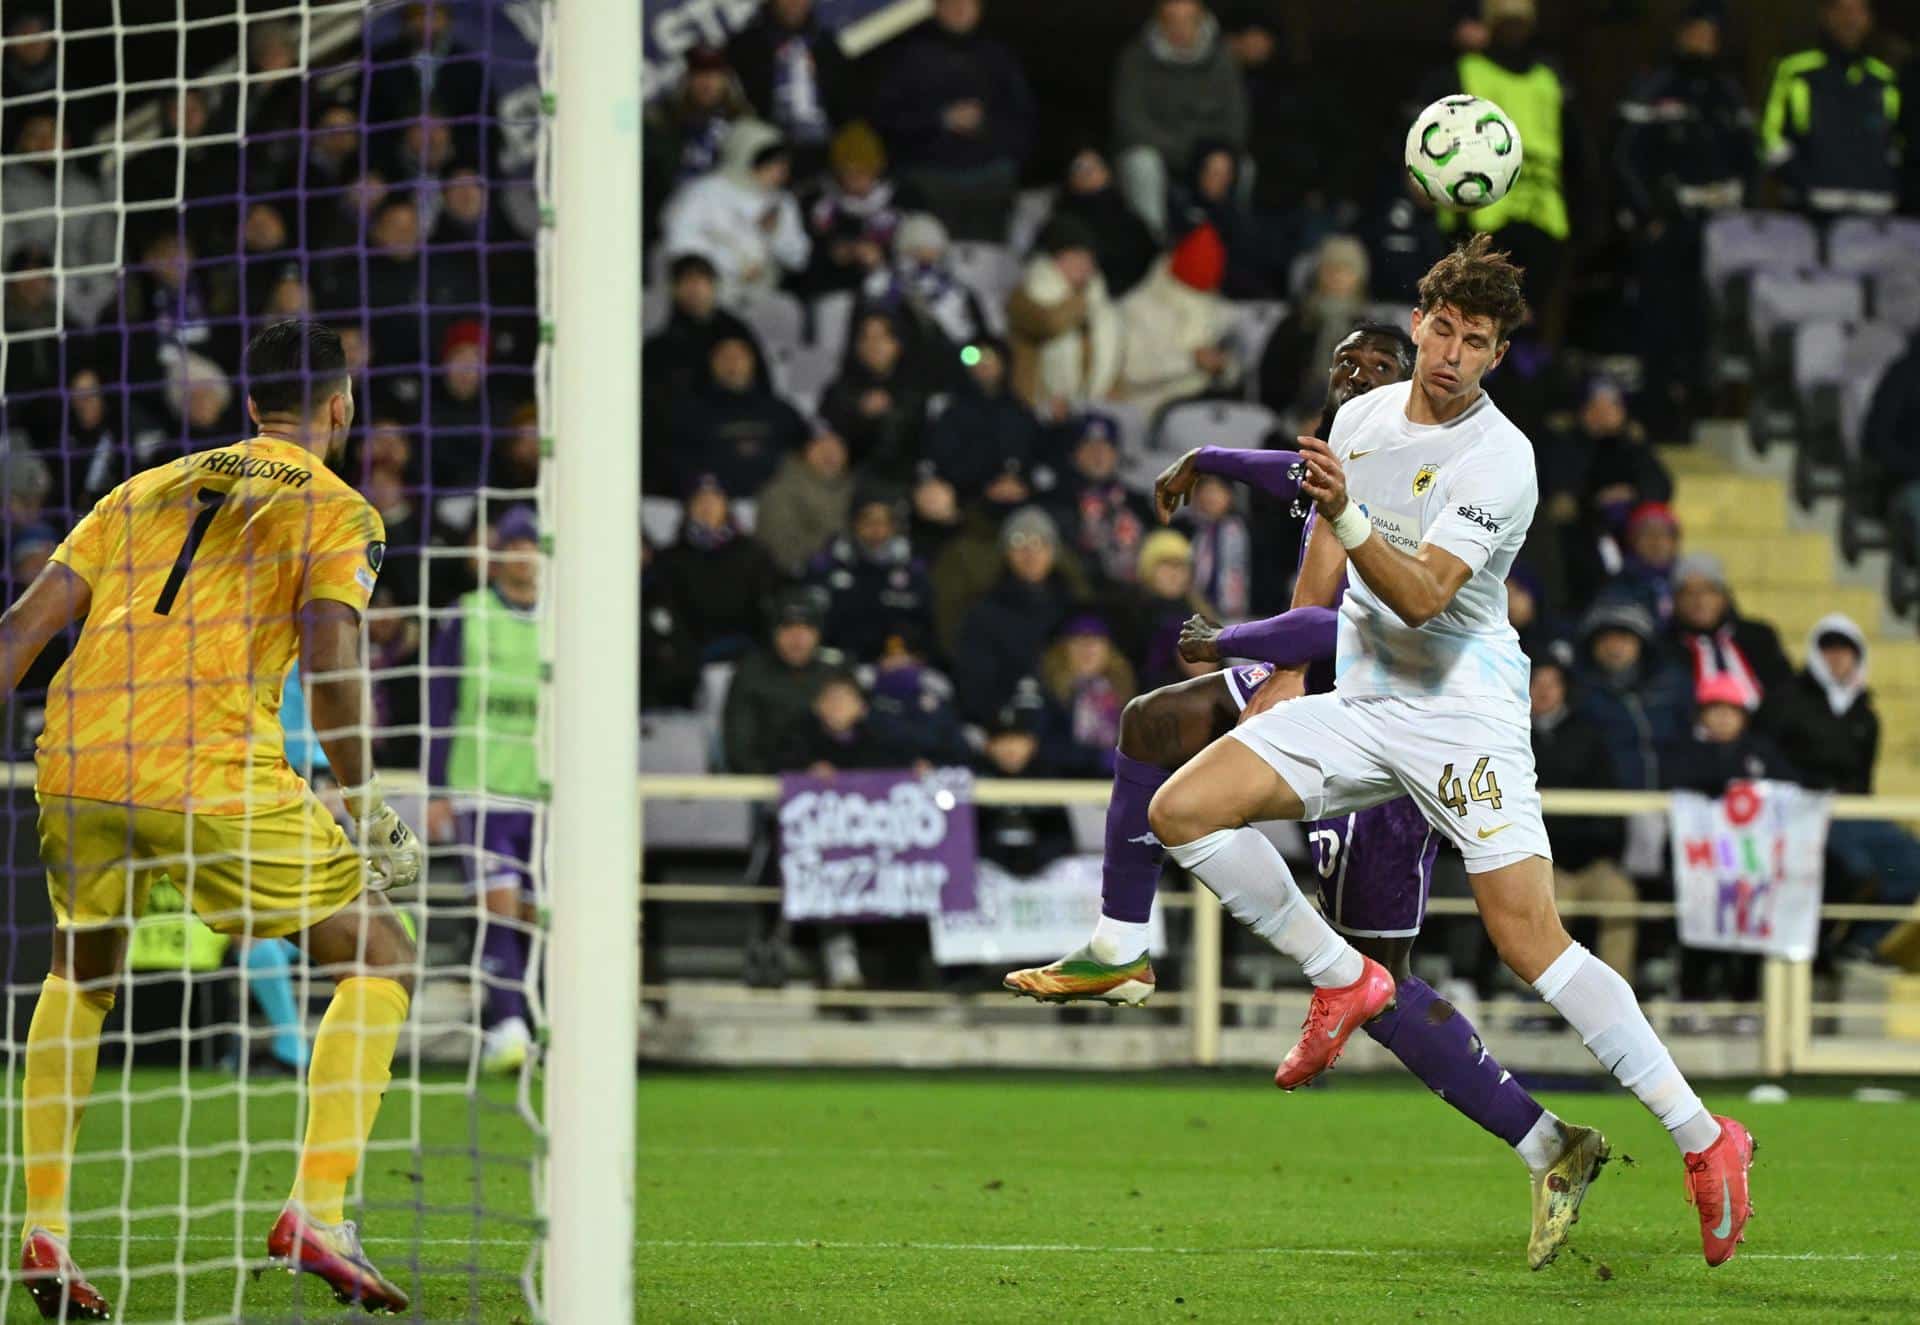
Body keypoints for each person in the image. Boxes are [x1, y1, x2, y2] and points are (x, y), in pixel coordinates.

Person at [1130, 237, 1750, 1262]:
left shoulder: (1502, 458)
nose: (1454, 353)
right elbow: (1330, 548)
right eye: (1445, 330)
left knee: (1528, 939)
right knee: (1181, 809)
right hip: (1367, 700)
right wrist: (1287, 664)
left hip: (1466, 715)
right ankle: (1344, 978)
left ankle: (1704, 1135)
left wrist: (1346, 504)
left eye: (1478, 340)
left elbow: (1418, 594)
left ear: (1500, 354)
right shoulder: (1366, 413)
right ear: (1418, 324)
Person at [1008, 317, 1612, 1270]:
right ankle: (1123, 946)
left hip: (1394, 732)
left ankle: (1549, 1142)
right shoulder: (1334, 466)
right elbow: (1271, 473)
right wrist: (1204, 455)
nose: (1361, 380)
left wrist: (1239, 642)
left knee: (1384, 985)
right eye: (1347, 369)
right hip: (1317, 702)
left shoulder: (1406, 485)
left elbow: (1335, 626)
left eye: (1379, 366)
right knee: (1153, 724)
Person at [0, 322, 423, 1315]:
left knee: (81, 970)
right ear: (340, 405)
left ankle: (44, 1223)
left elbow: (19, 630)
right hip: (207, 767)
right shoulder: (338, 506)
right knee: (379, 950)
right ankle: (316, 1207)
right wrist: (363, 805)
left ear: (247, 406)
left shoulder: (139, 486)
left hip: (76, 757)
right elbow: (330, 659)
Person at [427, 507, 545, 1076]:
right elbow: (440, 702)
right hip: (480, 790)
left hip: (542, 794)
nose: (523, 554)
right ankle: (509, 1027)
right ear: (497, 554)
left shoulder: (563, 619)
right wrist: (436, 789)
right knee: (497, 909)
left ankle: (523, 1018)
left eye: (531, 544)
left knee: (530, 916)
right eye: (513, 544)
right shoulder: (467, 616)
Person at [1614, 5, 1754, 431]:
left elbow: (1749, 159)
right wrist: (1647, 215)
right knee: (1659, 321)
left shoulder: (1728, 93)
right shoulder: (1653, 86)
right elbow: (1624, 156)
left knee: (1707, 323)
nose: (1702, 39)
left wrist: (1737, 198)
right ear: (1679, 33)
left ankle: (1700, 409)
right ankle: (1656, 415)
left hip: (1718, 228)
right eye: (1695, 31)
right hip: (1666, 225)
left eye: (1710, 32)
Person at [1762, 615, 1920, 954]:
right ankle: (1816, 947)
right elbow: (1768, 758)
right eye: (1828, 648)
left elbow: (1864, 778)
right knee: (1853, 868)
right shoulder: (1786, 701)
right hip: (1801, 813)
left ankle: (1855, 943)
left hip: (1852, 812)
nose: (1837, 656)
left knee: (1911, 863)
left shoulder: (1866, 715)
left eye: (1845, 649)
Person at [872, 0, 1034, 241]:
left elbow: (1022, 115)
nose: (960, 10)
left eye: (967, 3)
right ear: (936, 8)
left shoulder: (998, 56)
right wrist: (942, 119)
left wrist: (988, 128)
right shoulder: (910, 56)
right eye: (952, 3)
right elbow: (888, 117)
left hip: (990, 180)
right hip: (929, 180)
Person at [1529, 657, 1637, 979]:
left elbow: (1610, 804)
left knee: (1620, 895)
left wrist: (1602, 851)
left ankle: (1617, 998)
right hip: (1539, 864)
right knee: (1538, 908)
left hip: (1592, 861)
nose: (1545, 692)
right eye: (1537, 683)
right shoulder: (1507, 735)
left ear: (1565, 690)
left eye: (1553, 684)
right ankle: (1536, 1002)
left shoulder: (1590, 737)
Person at [1111, 0, 1248, 241]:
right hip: (1159, 153)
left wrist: (1217, 154)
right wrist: (1186, 152)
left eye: (1188, 20)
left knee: (1245, 168)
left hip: (1209, 154)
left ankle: (1232, 245)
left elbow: (1235, 119)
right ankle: (1151, 245)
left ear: (1202, 21)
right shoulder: (1136, 58)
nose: (1180, 28)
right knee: (1140, 163)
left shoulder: (1222, 59)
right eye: (1171, 20)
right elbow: (1130, 121)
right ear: (1159, 23)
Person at [1760, 0, 1901, 217]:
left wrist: (1890, 183)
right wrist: (1803, 183)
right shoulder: (1795, 70)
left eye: (1858, 10)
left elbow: (1896, 140)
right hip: (1812, 212)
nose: (1850, 19)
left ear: (1869, 19)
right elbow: (1768, 135)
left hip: (1875, 211)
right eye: (1842, 10)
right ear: (1826, 15)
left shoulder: (1883, 79)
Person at [659, 119, 810, 302]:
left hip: (762, 293)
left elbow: (799, 259)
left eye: (782, 164)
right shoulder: (704, 191)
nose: (780, 171)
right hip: (709, 291)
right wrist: (733, 265)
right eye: (771, 163)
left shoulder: (782, 202)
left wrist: (774, 233)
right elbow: (680, 243)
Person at [1114, 223, 1239, 418]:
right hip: (1152, 409)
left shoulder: (1217, 308)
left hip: (1207, 405)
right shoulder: (1137, 307)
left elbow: (1233, 369)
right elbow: (1133, 370)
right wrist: (1191, 361)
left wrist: (1223, 366)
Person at [726, 0, 854, 179]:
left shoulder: (825, 43)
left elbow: (848, 102)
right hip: (768, 154)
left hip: (826, 151)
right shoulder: (746, 45)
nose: (794, 4)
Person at [1574, 598, 1692, 791]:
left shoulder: (1673, 684)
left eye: (1623, 637)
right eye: (1605, 638)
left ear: (1642, 643)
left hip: (1675, 804)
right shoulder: (1578, 694)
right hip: (1607, 806)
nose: (1614, 647)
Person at [1006, 217, 1121, 415]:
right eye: (1074, 256)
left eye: (1087, 257)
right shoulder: (1027, 295)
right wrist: (1079, 301)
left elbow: (1113, 352)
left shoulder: (1101, 303)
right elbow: (1048, 323)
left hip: (1091, 406)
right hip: (1036, 406)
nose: (1084, 265)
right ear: (1053, 260)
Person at [809, 487, 934, 663]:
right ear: (854, 523)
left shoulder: (913, 570)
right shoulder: (827, 565)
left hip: (893, 666)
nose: (877, 530)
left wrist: (908, 654)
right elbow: (812, 625)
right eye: (868, 520)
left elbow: (925, 628)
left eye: (886, 522)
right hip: (834, 665)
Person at [1258, 236, 1371, 427]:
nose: (1337, 275)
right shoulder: (1294, 324)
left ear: (1359, 277)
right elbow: (1271, 380)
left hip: (1353, 425)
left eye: (1346, 269)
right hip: (1294, 420)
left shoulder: (1371, 331)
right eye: (1330, 267)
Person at [1669, 552, 1792, 710]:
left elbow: (1784, 690)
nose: (1699, 601)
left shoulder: (1759, 637)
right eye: (1689, 593)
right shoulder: (1666, 648)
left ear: (1724, 597)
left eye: (1709, 591)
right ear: (1676, 601)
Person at [1044, 146, 1159, 298]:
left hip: (1140, 298)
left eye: (1095, 166)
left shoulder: (1130, 218)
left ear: (1107, 172)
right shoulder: (1061, 223)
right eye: (1079, 168)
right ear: (1069, 178)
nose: (1088, 173)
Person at [754, 429, 855, 577]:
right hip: (796, 577)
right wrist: (827, 546)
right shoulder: (781, 490)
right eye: (822, 447)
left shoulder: (855, 487)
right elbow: (779, 549)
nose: (829, 455)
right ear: (806, 451)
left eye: (837, 448)